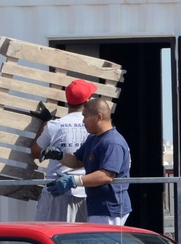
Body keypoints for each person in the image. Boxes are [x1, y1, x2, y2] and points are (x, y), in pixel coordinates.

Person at [46, 97, 132, 225]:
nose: (83, 121)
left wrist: (73, 181)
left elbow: (106, 175)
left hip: (110, 208)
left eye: (85, 116)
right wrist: (59, 155)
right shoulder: (93, 138)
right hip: (97, 207)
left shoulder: (113, 142)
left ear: (98, 117)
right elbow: (77, 161)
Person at [32, 78, 98, 222]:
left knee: (52, 237)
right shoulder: (96, 126)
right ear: (88, 100)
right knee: (86, 240)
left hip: (56, 191)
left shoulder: (54, 125)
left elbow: (36, 152)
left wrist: (44, 122)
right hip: (86, 190)